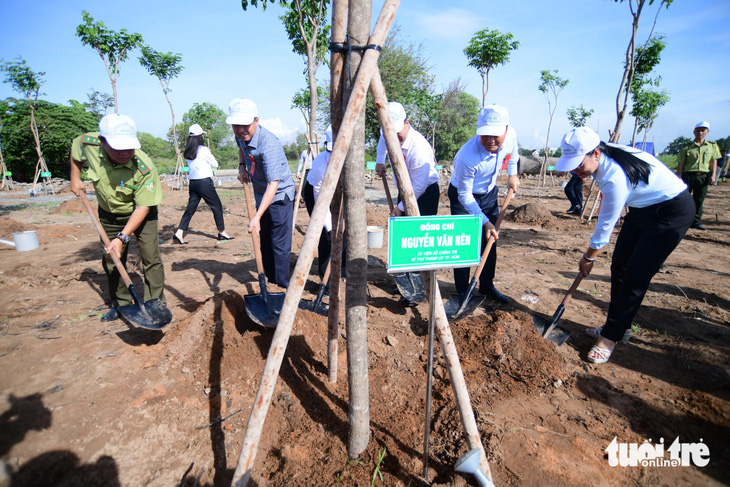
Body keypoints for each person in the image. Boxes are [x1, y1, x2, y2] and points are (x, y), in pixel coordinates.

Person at [555, 127, 694, 364]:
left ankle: (609, 338)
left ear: (595, 153)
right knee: (619, 267)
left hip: (671, 213)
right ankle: (621, 326)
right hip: (643, 209)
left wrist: (588, 258)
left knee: (636, 276)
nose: (576, 170)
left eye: (579, 164)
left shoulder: (613, 177)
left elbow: (604, 227)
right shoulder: (606, 155)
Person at [69, 114, 166, 322]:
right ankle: (121, 304)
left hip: (141, 213)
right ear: (103, 142)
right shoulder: (89, 143)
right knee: (112, 258)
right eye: (118, 148)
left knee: (150, 257)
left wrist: (122, 237)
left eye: (129, 148)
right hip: (109, 213)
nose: (125, 153)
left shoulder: (144, 167)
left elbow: (143, 207)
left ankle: (155, 303)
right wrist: (75, 177)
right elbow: (76, 151)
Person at [449, 104, 520, 304]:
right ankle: (464, 291)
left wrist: (512, 174)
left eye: (496, 135)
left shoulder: (511, 136)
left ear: (506, 129)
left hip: (488, 193)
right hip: (465, 196)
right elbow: (464, 196)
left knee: (490, 240)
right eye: (485, 134)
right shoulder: (467, 157)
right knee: (464, 243)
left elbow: (514, 153)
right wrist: (484, 221)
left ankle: (487, 286)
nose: (490, 140)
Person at [228, 98, 295, 289]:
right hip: (260, 192)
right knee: (265, 240)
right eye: (236, 125)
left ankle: (282, 287)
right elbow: (242, 149)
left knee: (278, 244)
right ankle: (271, 282)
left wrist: (256, 216)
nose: (241, 130)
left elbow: (273, 185)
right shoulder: (240, 136)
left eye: (245, 125)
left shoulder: (269, 144)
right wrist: (242, 166)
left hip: (279, 195)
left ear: (256, 120)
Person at [374, 101, 440, 218]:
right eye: (389, 133)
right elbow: (383, 139)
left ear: (407, 123)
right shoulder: (387, 134)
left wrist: (400, 208)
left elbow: (419, 186)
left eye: (397, 132)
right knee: (404, 232)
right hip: (405, 190)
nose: (392, 137)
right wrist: (380, 161)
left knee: (419, 232)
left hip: (425, 193)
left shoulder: (419, 148)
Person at [173, 124, 233, 244]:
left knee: (190, 208)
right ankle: (222, 232)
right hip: (204, 182)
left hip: (193, 183)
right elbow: (215, 164)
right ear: (200, 137)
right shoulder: (203, 150)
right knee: (217, 206)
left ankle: (179, 233)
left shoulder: (188, 151)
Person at [303, 125, 343, 279]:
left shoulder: (352, 157)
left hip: (338, 191)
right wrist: (329, 227)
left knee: (343, 230)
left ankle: (342, 271)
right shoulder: (320, 164)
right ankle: (326, 277)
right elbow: (321, 201)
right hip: (317, 194)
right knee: (326, 234)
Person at [676, 121, 721, 230]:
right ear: (694, 132)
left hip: (703, 176)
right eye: (698, 130)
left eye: (703, 130)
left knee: (699, 200)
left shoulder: (712, 146)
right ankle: (682, 221)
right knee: (684, 199)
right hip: (688, 176)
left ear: (707, 132)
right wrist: (679, 177)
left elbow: (713, 162)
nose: (700, 133)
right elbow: (681, 163)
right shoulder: (687, 147)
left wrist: (713, 175)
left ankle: (695, 222)